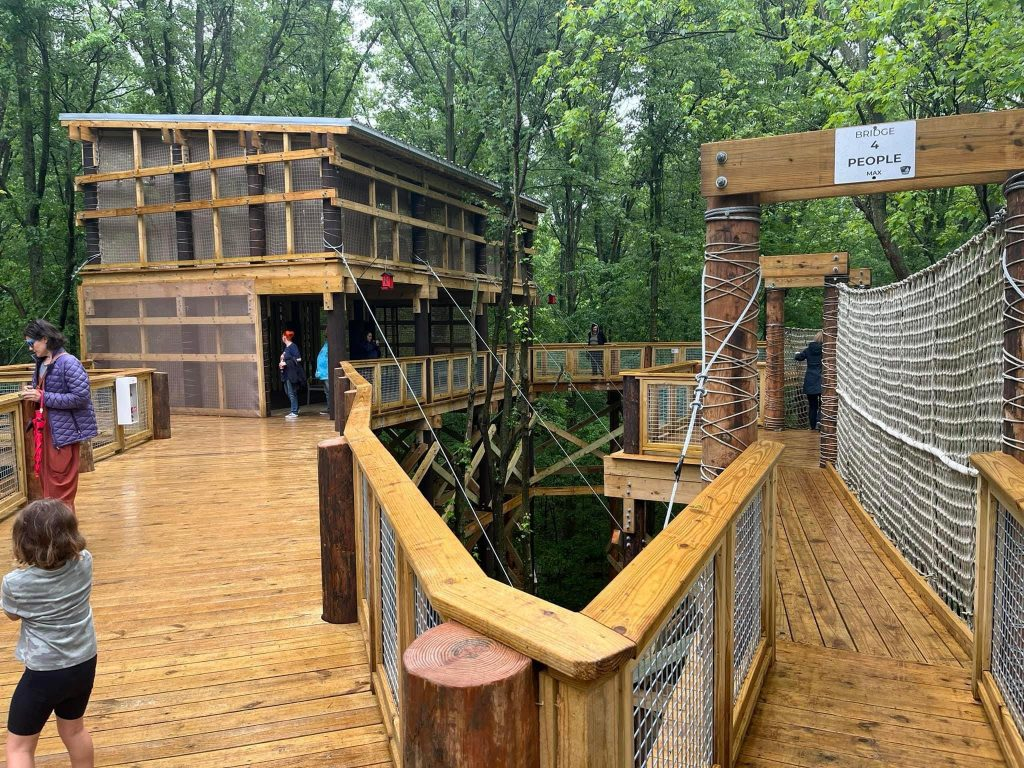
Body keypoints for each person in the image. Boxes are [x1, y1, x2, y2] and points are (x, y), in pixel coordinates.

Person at [3, 499, 97, 768]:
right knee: (74, 730)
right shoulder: (85, 561)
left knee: (19, 747)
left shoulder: (15, 583)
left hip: (44, 672)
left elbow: (12, 614)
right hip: (83, 663)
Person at [21, 320, 98, 511]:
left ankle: (66, 539)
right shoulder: (41, 363)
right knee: (49, 489)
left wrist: (43, 396)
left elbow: (81, 397)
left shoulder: (69, 362)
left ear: (45, 339)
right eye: (28, 344)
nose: (31, 348)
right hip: (46, 433)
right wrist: (35, 392)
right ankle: (54, 536)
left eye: (32, 343)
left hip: (63, 436)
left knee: (61, 489)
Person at [795, 331, 824, 430]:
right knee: (823, 404)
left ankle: (812, 426)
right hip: (822, 381)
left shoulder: (808, 350)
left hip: (810, 381)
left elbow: (799, 357)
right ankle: (820, 421)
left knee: (812, 406)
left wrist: (797, 353)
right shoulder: (826, 350)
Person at [278, 330, 305, 420]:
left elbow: (299, 359)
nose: (282, 338)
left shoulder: (293, 346)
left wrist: (286, 363)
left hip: (291, 373)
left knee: (291, 392)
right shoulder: (286, 348)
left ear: (285, 337)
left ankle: (294, 411)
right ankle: (296, 408)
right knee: (288, 391)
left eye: (282, 336)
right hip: (286, 373)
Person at [316, 336, 330, 416]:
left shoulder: (330, 346)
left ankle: (331, 409)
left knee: (329, 391)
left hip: (326, 373)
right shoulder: (325, 345)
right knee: (327, 392)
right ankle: (329, 408)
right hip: (323, 373)